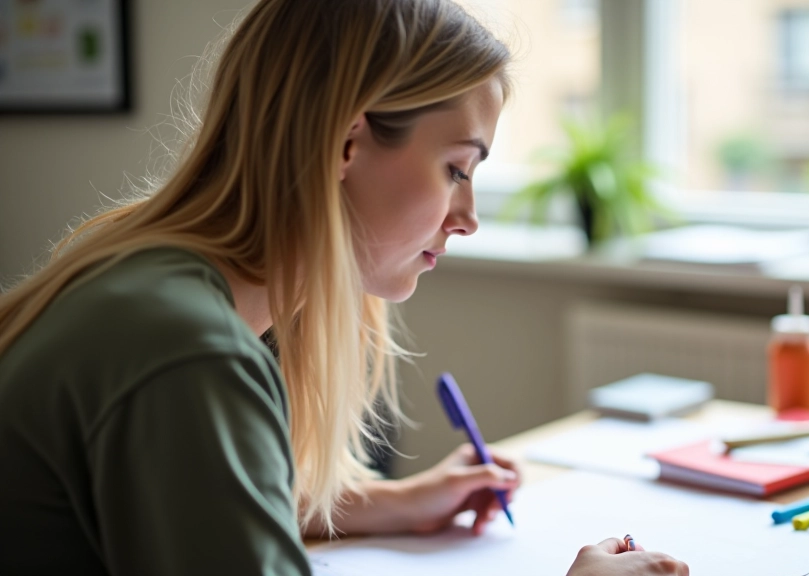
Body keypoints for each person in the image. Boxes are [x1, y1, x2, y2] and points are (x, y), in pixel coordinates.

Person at [0, 1, 689, 575]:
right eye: (456, 168)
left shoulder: (148, 282)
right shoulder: (186, 348)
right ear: (345, 143)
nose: (469, 218)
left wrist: (384, 503)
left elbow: (173, 498)